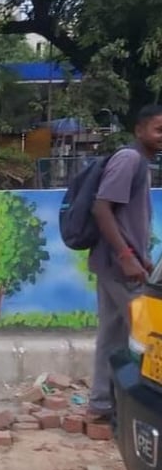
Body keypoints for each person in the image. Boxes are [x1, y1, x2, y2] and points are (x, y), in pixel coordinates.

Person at [87, 104, 162, 424]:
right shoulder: (129, 159)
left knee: (113, 336)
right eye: (158, 129)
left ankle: (103, 403)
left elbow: (126, 220)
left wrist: (141, 257)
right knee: (148, 336)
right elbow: (101, 209)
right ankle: (139, 408)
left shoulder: (140, 163)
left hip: (120, 265)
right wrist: (127, 257)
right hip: (120, 268)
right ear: (139, 130)